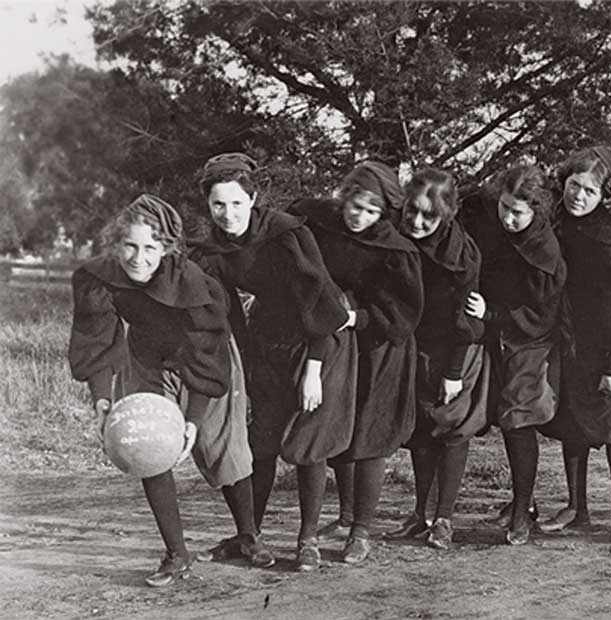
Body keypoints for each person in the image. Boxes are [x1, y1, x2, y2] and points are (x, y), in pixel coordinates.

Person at [69, 194, 269, 587]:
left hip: (205, 356)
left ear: (167, 248)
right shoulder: (99, 277)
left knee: (222, 448)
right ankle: (177, 554)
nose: (138, 258)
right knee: (146, 443)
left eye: (150, 248)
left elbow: (205, 355)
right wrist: (102, 399)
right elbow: (96, 341)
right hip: (146, 357)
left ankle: (248, 535)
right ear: (116, 243)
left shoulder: (192, 284)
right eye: (129, 245)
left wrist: (192, 421)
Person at [190, 153, 355, 572]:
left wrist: (313, 370)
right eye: (218, 205)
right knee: (259, 442)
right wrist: (243, 367)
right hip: (267, 342)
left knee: (307, 442)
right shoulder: (212, 250)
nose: (228, 214)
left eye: (236, 203)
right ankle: (250, 535)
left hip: (318, 341)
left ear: (253, 199)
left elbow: (320, 304)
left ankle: (308, 539)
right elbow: (227, 316)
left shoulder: (288, 235)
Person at [291, 161, 424, 564]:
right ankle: (334, 521)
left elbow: (403, 314)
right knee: (329, 428)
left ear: (384, 212)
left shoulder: (396, 250)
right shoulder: (321, 222)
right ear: (344, 197)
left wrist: (355, 317)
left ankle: (360, 531)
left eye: (371, 210)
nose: (359, 216)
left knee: (369, 435)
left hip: (381, 348)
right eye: (355, 205)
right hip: (335, 342)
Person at [374, 168, 490, 550]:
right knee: (420, 429)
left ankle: (444, 518)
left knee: (451, 428)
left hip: (455, 348)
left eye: (429, 215)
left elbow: (466, 320)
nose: (418, 222)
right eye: (412, 211)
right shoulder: (395, 238)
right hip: (413, 346)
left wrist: (453, 372)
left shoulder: (462, 254)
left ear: (447, 214)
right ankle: (420, 514)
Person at [540, 146, 611, 544]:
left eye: (589, 190)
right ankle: (577, 508)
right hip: (572, 346)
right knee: (573, 426)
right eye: (574, 185)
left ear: (605, 195)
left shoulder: (609, 237)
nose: (579, 196)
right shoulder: (557, 225)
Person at [462, 165, 567, 545]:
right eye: (504, 207)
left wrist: (490, 313)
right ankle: (526, 501)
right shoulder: (494, 228)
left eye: (517, 212)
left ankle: (522, 511)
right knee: (499, 415)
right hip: (498, 335)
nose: (508, 218)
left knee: (519, 419)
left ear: (535, 211)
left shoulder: (544, 250)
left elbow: (540, 313)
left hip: (532, 340)